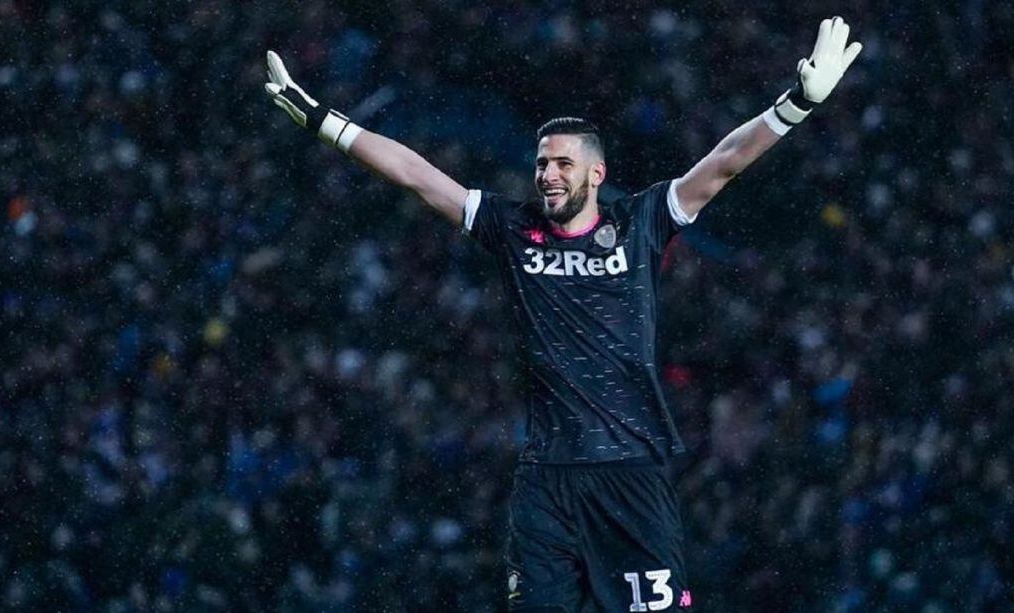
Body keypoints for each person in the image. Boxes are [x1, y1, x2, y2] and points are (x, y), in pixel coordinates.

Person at [264, 16, 862, 612]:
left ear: (596, 174)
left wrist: (797, 105)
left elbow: (724, 162)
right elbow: (419, 177)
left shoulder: (642, 222)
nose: (547, 175)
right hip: (547, 479)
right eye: (542, 164)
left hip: (630, 474)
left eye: (562, 165)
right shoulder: (513, 228)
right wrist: (324, 121)